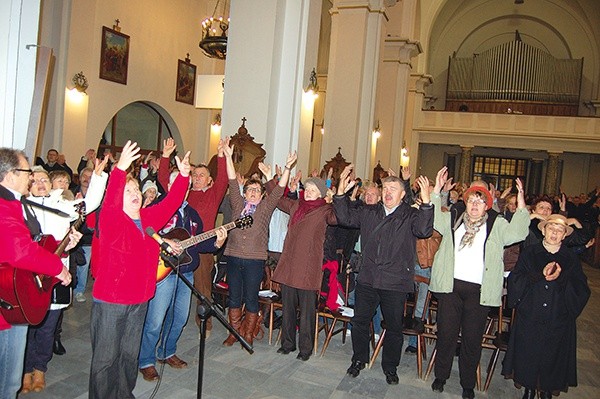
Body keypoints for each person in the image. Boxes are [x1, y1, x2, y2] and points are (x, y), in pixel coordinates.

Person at [88, 140, 190, 399]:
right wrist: (120, 169)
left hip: (140, 299)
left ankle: (124, 394)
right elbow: (110, 201)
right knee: (105, 359)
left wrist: (184, 176)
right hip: (111, 301)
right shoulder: (111, 219)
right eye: (128, 190)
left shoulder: (147, 219)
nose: (134, 193)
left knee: (128, 356)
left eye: (136, 189)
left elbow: (171, 203)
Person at [429, 167, 529, 399]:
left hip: (479, 292)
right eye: (471, 200)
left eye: (480, 202)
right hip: (451, 287)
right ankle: (440, 376)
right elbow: (433, 217)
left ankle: (467, 383)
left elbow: (518, 233)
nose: (474, 205)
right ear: (466, 203)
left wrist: (522, 205)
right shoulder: (454, 218)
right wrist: (436, 190)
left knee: (472, 341)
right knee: (446, 335)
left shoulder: (497, 224)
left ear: (487, 206)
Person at [334, 165, 434, 385]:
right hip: (368, 278)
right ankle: (359, 359)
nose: (388, 192)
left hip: (395, 281)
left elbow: (424, 231)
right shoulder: (370, 212)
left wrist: (427, 203)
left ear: (402, 194)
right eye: (385, 188)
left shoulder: (410, 215)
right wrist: (340, 191)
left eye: (393, 188)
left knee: (394, 328)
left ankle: (390, 367)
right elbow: (344, 218)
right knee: (360, 321)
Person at [138, 152, 227, 381]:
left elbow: (200, 242)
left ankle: (167, 351)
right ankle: (146, 360)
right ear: (169, 185)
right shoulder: (157, 208)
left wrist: (216, 241)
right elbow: (144, 234)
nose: (183, 187)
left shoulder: (192, 214)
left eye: (185, 184)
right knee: (156, 319)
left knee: (179, 317)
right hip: (163, 271)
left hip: (185, 271)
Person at [21, 160, 106, 393]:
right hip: (28, 274)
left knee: (48, 325)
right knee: (29, 324)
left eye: (44, 180)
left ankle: (40, 369)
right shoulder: (21, 206)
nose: (40, 184)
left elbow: (89, 204)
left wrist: (97, 178)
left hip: (58, 274)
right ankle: (25, 370)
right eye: (35, 180)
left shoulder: (61, 205)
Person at [0, 148, 74, 399]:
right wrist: (58, 268)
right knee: (7, 383)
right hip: (8, 302)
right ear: (10, 176)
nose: (31, 178)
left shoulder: (13, 201)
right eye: (26, 172)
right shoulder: (5, 204)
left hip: (14, 290)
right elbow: (20, 250)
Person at [502, 214, 590, 399]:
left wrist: (562, 279)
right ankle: (529, 387)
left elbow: (581, 288)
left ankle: (546, 389)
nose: (555, 233)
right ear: (543, 230)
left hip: (557, 315)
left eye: (560, 230)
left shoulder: (570, 258)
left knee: (552, 354)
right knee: (529, 352)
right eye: (551, 229)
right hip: (531, 313)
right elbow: (516, 279)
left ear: (564, 235)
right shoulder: (530, 253)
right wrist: (538, 275)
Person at [221, 138, 296, 347]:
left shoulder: (265, 208)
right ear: (244, 193)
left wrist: (288, 168)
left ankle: (249, 332)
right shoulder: (237, 204)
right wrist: (228, 156)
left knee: (251, 297)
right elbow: (231, 180)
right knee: (234, 297)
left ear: (262, 195)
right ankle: (234, 332)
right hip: (234, 257)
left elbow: (279, 191)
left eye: (256, 191)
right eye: (249, 190)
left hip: (255, 260)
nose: (252, 193)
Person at [162, 138, 228, 336]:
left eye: (202, 175)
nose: (198, 177)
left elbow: (224, 178)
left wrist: (221, 155)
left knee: (203, 290)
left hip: (203, 249)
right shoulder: (183, 194)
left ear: (210, 180)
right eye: (195, 175)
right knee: (171, 292)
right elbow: (164, 181)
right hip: (176, 249)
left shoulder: (213, 195)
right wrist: (166, 156)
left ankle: (204, 324)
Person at [273, 175, 337, 361]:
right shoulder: (296, 206)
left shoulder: (326, 210)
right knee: (288, 308)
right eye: (306, 189)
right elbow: (277, 199)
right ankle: (287, 343)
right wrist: (272, 179)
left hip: (308, 268)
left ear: (320, 194)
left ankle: (305, 349)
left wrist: (337, 198)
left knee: (307, 312)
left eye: (312, 190)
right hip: (290, 264)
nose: (307, 192)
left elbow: (338, 218)